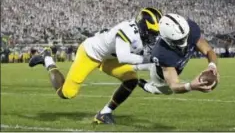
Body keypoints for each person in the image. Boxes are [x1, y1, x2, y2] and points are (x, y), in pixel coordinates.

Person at [28, 7, 162, 124]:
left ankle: (104, 114)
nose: (154, 37)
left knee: (131, 80)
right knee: (66, 93)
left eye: (156, 33)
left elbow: (144, 59)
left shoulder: (143, 35)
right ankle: (47, 59)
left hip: (109, 58)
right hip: (91, 53)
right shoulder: (128, 30)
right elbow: (124, 57)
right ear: (142, 27)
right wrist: (150, 60)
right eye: (152, 33)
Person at [137, 13, 220, 95]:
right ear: (167, 39)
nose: (184, 42)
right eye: (179, 40)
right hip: (160, 75)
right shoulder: (162, 53)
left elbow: (209, 51)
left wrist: (212, 66)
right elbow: (174, 86)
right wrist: (190, 86)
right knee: (166, 91)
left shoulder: (191, 30)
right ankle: (144, 85)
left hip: (176, 67)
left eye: (186, 36)